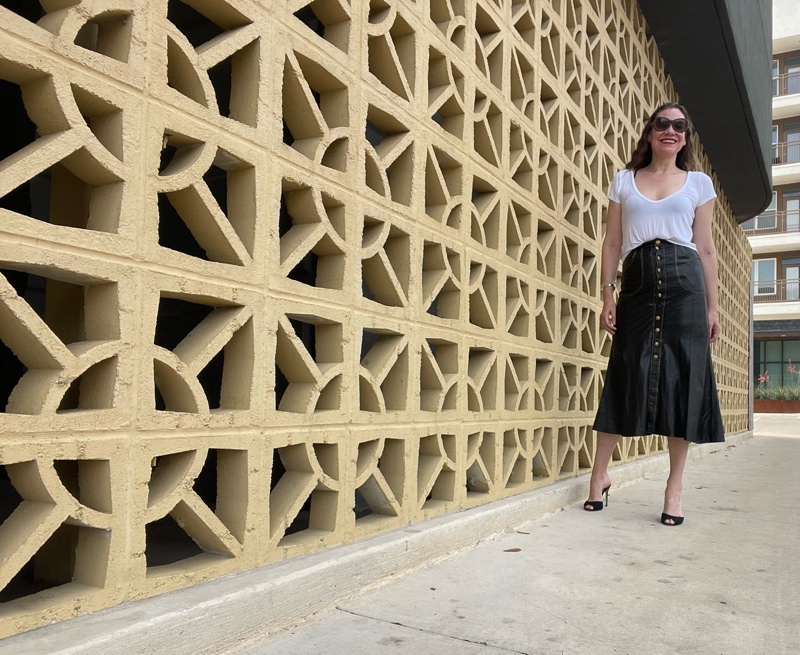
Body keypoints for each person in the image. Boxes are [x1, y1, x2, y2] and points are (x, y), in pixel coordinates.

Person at [584, 102, 725, 526]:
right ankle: (599, 475)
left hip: (686, 287)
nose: (671, 131)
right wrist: (608, 294)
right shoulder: (623, 181)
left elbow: (706, 248)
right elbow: (612, 244)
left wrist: (713, 306)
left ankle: (674, 489)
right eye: (662, 123)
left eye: (680, 126)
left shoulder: (698, 183)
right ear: (650, 133)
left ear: (685, 137)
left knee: (683, 381)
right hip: (638, 286)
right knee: (626, 371)